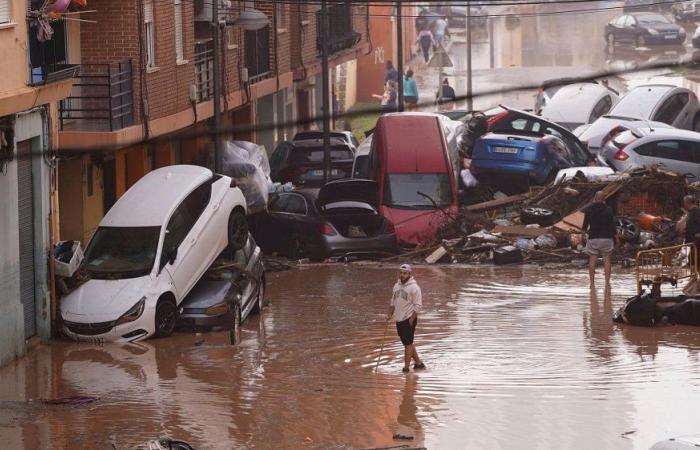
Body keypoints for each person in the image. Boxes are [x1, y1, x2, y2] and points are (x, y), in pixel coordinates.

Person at [387, 264, 425, 373]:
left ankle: (406, 368)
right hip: (398, 319)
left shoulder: (414, 287)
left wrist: (411, 320)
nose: (402, 275)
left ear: (409, 274)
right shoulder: (396, 286)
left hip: (408, 318)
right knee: (407, 342)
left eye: (404, 273)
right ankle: (418, 364)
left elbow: (418, 305)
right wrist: (389, 315)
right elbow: (392, 302)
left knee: (407, 344)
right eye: (400, 273)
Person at [582, 191, 618, 289]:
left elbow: (584, 226)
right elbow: (612, 225)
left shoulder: (589, 209)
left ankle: (592, 284)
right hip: (606, 238)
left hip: (593, 238)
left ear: (595, 198)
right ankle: (607, 283)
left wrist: (583, 236)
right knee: (607, 260)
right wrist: (616, 237)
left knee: (592, 260)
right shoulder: (609, 209)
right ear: (604, 199)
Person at [683, 195, 700, 270]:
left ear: (688, 202)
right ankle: (694, 277)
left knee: (695, 259)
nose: (684, 204)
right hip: (693, 240)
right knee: (692, 259)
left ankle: (695, 277)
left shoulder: (697, 211)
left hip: (697, 240)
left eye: (684, 202)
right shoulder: (691, 212)